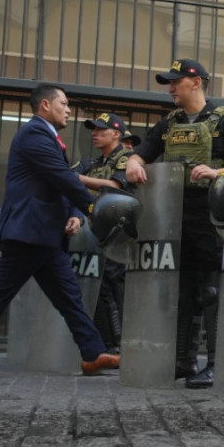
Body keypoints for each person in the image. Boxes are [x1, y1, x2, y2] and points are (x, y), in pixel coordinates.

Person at [0, 84, 119, 380]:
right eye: (63, 103)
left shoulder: (48, 137)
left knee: (69, 297)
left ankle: (92, 354)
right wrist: (92, 209)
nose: (68, 109)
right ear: (46, 106)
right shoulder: (34, 134)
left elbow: (55, 183)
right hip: (28, 233)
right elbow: (61, 177)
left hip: (44, 235)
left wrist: (73, 214)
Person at [125, 59, 224, 387]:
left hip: (214, 214)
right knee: (183, 290)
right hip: (177, 215)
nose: (170, 88)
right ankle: (182, 360)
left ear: (195, 82)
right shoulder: (169, 123)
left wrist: (216, 173)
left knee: (211, 290)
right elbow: (143, 152)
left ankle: (217, 363)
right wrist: (133, 164)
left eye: (175, 82)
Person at [73, 112, 133, 354]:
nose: (95, 134)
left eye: (101, 130)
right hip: (93, 234)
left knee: (110, 286)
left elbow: (116, 185)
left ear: (116, 134)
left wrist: (79, 179)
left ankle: (117, 343)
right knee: (95, 288)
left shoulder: (127, 158)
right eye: (93, 129)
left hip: (117, 233)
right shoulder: (94, 163)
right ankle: (104, 342)